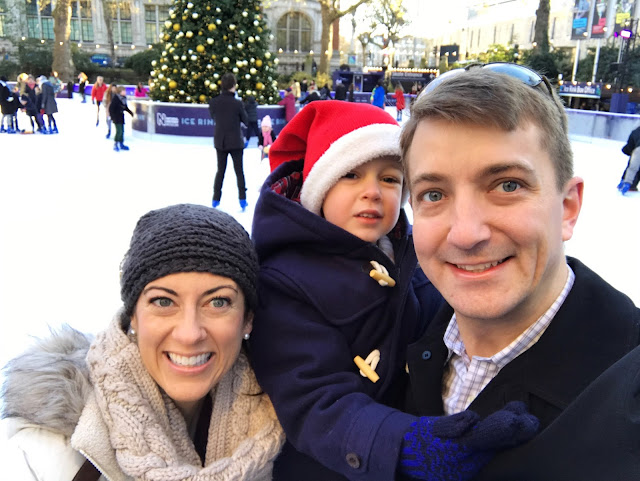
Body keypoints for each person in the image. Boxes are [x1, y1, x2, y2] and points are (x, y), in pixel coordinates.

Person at [250, 101, 539, 481]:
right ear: (318, 186)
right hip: (327, 465)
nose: (372, 192)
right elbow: (313, 399)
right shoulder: (285, 280)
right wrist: (405, 444)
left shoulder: (412, 254)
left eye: (389, 179)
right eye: (351, 175)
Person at [400, 63, 640, 478]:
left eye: (507, 185)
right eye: (434, 194)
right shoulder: (401, 330)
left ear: (568, 208)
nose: (466, 233)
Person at [1, 203, 285, 480]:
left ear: (247, 318)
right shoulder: (41, 452)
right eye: (163, 301)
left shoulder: (292, 430)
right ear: (133, 317)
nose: (189, 334)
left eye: (218, 302)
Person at [208, 72, 249, 211]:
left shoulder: (214, 102)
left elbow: (214, 117)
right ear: (233, 86)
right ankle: (242, 199)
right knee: (239, 171)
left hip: (220, 141)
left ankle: (215, 199)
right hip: (236, 142)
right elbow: (246, 120)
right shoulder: (237, 103)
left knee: (220, 171)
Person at [108, 85, 133, 151]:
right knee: (119, 131)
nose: (125, 92)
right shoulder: (116, 98)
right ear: (120, 92)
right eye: (123, 91)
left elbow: (125, 107)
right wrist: (112, 117)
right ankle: (115, 144)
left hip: (121, 117)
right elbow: (111, 108)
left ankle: (121, 143)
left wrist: (130, 112)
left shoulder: (124, 98)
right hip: (116, 117)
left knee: (122, 131)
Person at [617, 124, 640, 194]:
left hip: (638, 149)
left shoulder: (635, 131)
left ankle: (627, 183)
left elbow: (629, 147)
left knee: (632, 167)